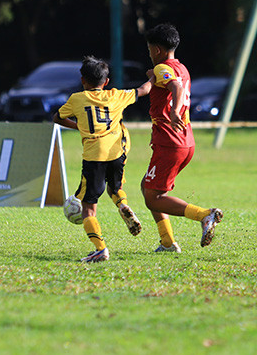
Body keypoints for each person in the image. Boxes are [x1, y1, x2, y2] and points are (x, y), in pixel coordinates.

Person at [53, 55, 151, 263]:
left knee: (88, 207)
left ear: (82, 80)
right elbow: (143, 90)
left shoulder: (76, 99)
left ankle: (100, 249)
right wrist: (153, 77)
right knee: (114, 189)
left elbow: (58, 117)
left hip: (93, 156)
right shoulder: (116, 95)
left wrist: (79, 126)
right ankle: (123, 205)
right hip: (116, 152)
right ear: (106, 82)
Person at [140, 23, 223, 252]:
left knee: (152, 197)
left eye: (149, 50)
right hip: (185, 141)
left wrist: (174, 111)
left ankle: (205, 215)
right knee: (149, 188)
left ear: (156, 49)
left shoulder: (162, 69)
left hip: (169, 142)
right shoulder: (182, 68)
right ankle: (166, 242)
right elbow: (174, 81)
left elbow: (174, 87)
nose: (149, 54)